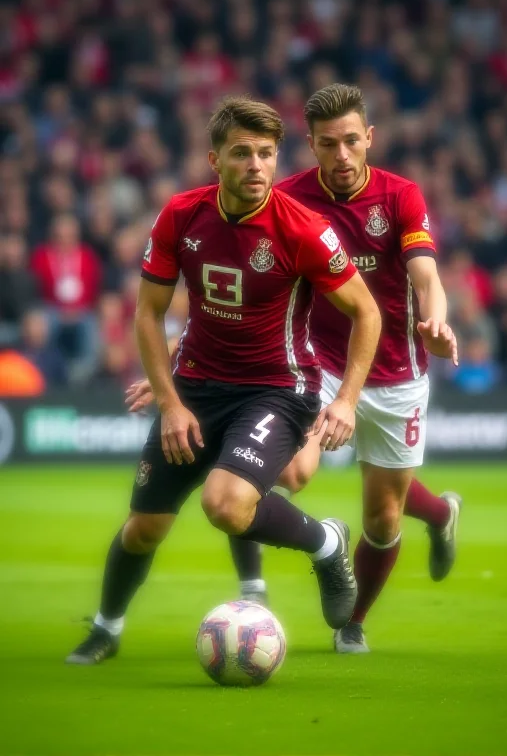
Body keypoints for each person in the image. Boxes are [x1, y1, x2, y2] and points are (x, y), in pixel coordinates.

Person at [127, 84, 461, 655]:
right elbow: (236, 296)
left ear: (369, 139)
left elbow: (425, 274)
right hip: (316, 364)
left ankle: (421, 533)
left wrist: (436, 320)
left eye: (352, 141)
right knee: (287, 472)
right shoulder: (283, 198)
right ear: (310, 145)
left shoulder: (400, 197)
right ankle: (310, 585)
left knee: (383, 515)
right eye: (328, 144)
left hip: (398, 369)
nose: (341, 155)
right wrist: (178, 365)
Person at [66, 96, 382, 665]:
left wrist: (348, 401)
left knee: (226, 503)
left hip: (276, 389)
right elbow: (147, 312)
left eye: (266, 154)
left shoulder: (303, 228)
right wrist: (169, 400)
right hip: (195, 386)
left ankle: (327, 545)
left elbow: (367, 313)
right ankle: (106, 630)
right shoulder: (181, 215)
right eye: (242, 154)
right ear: (215, 160)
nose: (256, 165)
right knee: (143, 529)